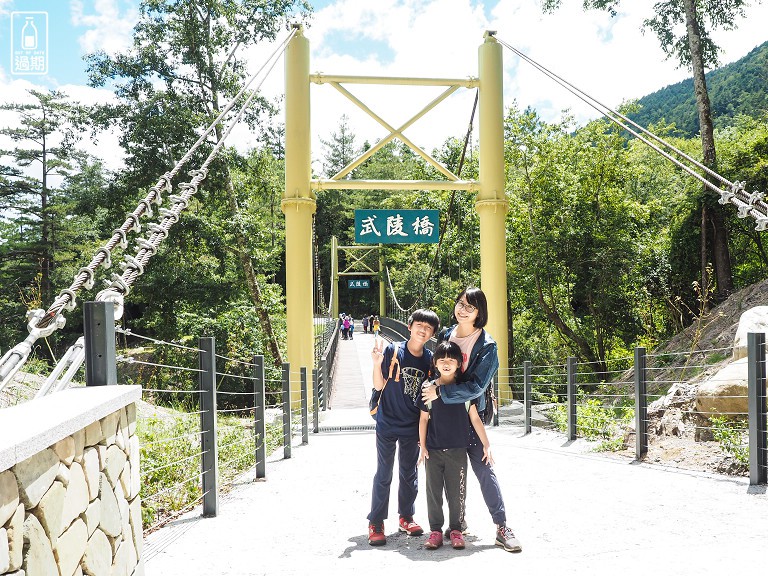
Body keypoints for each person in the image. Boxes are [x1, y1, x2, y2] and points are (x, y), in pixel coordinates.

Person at [421, 287, 522, 553]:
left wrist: (441, 392)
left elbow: (477, 386)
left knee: (484, 470)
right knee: (443, 475)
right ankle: (451, 525)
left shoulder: (487, 345)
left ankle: (502, 527)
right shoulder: (445, 335)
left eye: (470, 306)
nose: (462, 309)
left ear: (480, 313)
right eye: (460, 304)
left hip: (469, 416)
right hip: (443, 419)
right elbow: (433, 367)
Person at [367, 309, 441, 547]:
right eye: (419, 325)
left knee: (409, 473)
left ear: (432, 334)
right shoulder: (393, 350)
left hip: (412, 425)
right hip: (387, 422)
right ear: (409, 327)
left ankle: (406, 517)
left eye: (428, 328)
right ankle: (376, 522)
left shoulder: (430, 359)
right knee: (384, 473)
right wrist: (377, 363)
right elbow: (379, 385)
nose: (423, 330)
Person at [417, 341, 494, 550]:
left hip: (458, 450)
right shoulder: (427, 388)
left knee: (457, 492)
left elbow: (476, 419)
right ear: (435, 363)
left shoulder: (464, 392)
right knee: (433, 492)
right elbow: (423, 419)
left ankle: (456, 530)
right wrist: (422, 446)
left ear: (460, 363)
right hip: (433, 450)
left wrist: (486, 445)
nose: (446, 363)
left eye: (451, 360)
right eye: (442, 360)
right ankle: (435, 530)